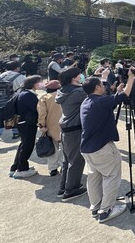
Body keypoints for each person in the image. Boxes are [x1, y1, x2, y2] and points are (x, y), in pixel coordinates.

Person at [80, 67, 135, 222]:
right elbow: (125, 96)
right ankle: (106, 210)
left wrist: (113, 88)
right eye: (102, 85)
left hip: (87, 148)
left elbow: (110, 100)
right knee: (111, 176)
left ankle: (96, 206)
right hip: (102, 148)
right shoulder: (101, 102)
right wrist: (131, 77)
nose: (105, 86)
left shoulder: (87, 101)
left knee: (94, 177)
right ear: (97, 87)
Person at [56, 67, 88, 201]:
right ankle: (71, 190)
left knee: (67, 160)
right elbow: (96, 92)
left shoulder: (62, 91)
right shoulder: (78, 92)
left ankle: (63, 187)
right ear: (73, 78)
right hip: (75, 130)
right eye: (79, 75)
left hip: (65, 130)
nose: (81, 76)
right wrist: (102, 78)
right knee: (76, 161)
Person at [9, 75, 44, 179]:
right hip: (27, 124)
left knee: (23, 145)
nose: (41, 83)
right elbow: (36, 109)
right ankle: (22, 169)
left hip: (23, 123)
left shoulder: (23, 93)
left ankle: (15, 167)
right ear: (33, 84)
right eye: (39, 82)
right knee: (27, 146)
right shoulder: (28, 95)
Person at [37, 80, 63, 176]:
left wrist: (41, 125)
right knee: (65, 148)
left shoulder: (45, 98)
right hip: (64, 124)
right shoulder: (64, 95)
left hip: (50, 125)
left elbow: (42, 113)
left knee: (53, 147)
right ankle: (64, 166)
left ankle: (53, 168)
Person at [0, 61, 26, 141]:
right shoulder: (21, 77)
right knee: (14, 116)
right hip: (14, 100)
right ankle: (15, 132)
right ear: (17, 68)